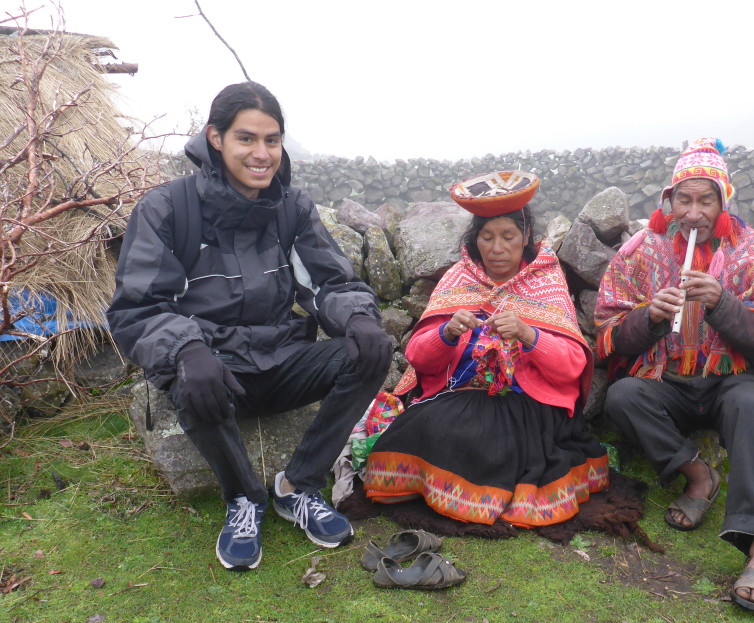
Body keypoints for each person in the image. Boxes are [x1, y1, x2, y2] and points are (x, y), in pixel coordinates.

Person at [107, 82, 391, 571]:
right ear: (215, 138)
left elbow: (329, 283)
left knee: (373, 349)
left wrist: (359, 317)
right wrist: (187, 351)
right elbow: (137, 308)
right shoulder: (167, 209)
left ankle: (297, 485)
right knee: (190, 376)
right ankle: (243, 499)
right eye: (246, 139)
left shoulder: (291, 208)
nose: (262, 154)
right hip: (213, 372)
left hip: (280, 359)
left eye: (272, 140)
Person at [595, 138, 754, 613]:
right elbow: (607, 332)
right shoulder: (642, 250)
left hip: (735, 381)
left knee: (749, 405)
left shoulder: (753, 250)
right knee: (623, 396)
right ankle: (698, 475)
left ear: (722, 201)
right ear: (669, 201)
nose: (693, 213)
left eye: (704, 200)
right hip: (667, 379)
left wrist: (722, 304)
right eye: (683, 200)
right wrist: (647, 318)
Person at [363, 171, 609, 527]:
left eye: (508, 236)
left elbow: (571, 366)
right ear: (474, 239)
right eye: (487, 237)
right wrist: (447, 332)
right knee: (415, 430)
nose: (497, 248)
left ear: (525, 236)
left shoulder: (547, 282)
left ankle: (462, 494)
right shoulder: (458, 279)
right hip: (458, 395)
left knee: (489, 442)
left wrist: (529, 334)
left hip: (527, 404)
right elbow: (418, 357)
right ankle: (448, 489)